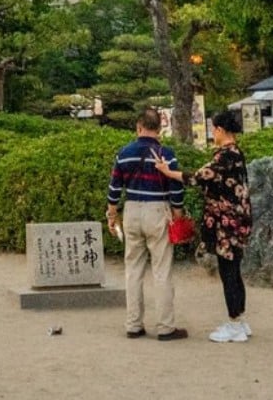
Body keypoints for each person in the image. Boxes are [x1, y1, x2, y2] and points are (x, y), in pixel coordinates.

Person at [155, 109, 252, 344]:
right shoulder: (236, 153)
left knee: (228, 271)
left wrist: (167, 171)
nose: (213, 133)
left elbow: (198, 177)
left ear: (219, 130)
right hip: (237, 221)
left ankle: (235, 323)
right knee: (233, 270)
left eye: (214, 129)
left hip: (226, 224)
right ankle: (239, 319)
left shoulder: (225, 156)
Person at [105, 106, 187, 341]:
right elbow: (177, 187)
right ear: (159, 129)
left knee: (133, 270)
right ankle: (165, 327)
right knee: (161, 270)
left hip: (131, 210)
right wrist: (177, 212)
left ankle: (133, 324)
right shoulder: (166, 154)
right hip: (158, 210)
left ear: (138, 127)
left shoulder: (124, 153)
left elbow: (114, 188)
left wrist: (112, 215)